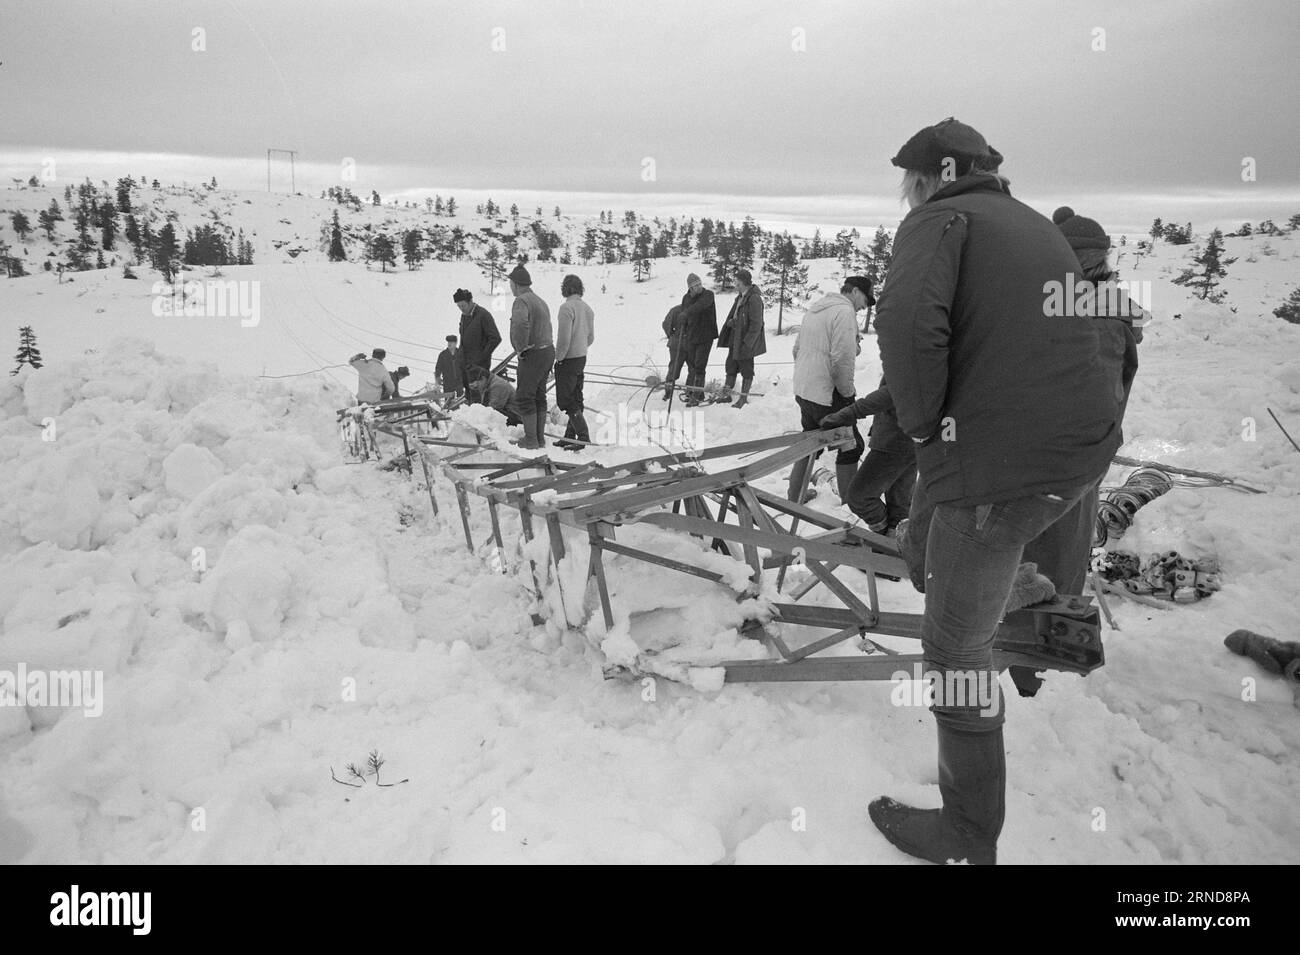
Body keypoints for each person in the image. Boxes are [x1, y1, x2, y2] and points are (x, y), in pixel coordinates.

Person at [869, 118, 1128, 866]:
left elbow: (910, 323)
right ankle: (1011, 584)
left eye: (908, 181)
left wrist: (922, 432)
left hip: (1002, 470)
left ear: (936, 174)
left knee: (953, 648)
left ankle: (966, 836)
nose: (905, 194)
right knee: (952, 547)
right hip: (1074, 460)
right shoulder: (1031, 225)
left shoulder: (939, 219)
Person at [788, 277, 873, 503]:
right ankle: (850, 504)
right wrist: (847, 395)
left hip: (805, 389)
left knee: (810, 441)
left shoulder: (816, 309)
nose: (864, 306)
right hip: (828, 394)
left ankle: (794, 495)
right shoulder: (844, 313)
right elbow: (842, 360)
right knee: (851, 446)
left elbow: (796, 350)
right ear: (855, 291)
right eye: (865, 299)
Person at [817, 378, 915, 533]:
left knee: (859, 497)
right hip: (907, 436)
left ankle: (883, 536)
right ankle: (893, 544)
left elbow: (894, 391)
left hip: (896, 440)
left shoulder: (910, 355)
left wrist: (849, 413)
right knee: (899, 503)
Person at [507, 264, 555, 449]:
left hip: (533, 353)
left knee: (525, 396)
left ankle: (531, 440)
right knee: (539, 395)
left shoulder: (521, 301)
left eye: (511, 283)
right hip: (547, 351)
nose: (510, 287)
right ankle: (539, 438)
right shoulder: (540, 300)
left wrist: (521, 348)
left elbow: (520, 324)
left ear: (516, 284)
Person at [553, 273, 595, 449]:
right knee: (576, 397)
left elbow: (563, 340)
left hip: (568, 359)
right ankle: (570, 436)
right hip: (581, 357)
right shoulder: (588, 309)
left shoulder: (566, 308)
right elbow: (591, 338)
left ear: (565, 289)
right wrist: (581, 347)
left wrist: (558, 358)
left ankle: (583, 436)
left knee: (565, 400)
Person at [719, 268, 766, 408]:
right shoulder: (740, 297)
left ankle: (743, 398)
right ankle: (726, 395)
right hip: (735, 337)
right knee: (731, 365)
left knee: (746, 368)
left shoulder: (754, 299)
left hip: (745, 341)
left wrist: (748, 343)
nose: (735, 285)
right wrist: (733, 322)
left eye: (737, 282)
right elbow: (741, 317)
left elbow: (757, 324)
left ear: (745, 283)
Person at [453, 289, 501, 403]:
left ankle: (481, 420)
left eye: (463, 305)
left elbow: (495, 338)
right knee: (469, 397)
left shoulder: (483, 315)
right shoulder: (464, 316)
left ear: (470, 302)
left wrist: (482, 357)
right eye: (458, 306)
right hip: (465, 365)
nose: (461, 308)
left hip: (479, 367)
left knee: (479, 399)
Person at [677, 273, 718, 407]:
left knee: (700, 365)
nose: (699, 287)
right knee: (692, 366)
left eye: (699, 284)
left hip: (706, 335)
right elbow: (684, 314)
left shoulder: (708, 295)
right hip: (692, 336)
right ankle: (695, 392)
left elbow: (700, 306)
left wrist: (686, 313)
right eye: (695, 286)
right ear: (690, 288)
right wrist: (683, 323)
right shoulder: (686, 298)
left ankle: (697, 396)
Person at [661, 304, 686, 400]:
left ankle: (690, 391)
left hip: (691, 344)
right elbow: (666, 324)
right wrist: (673, 336)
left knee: (693, 369)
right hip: (677, 344)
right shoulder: (676, 310)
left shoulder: (697, 310)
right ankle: (668, 391)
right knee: (674, 368)